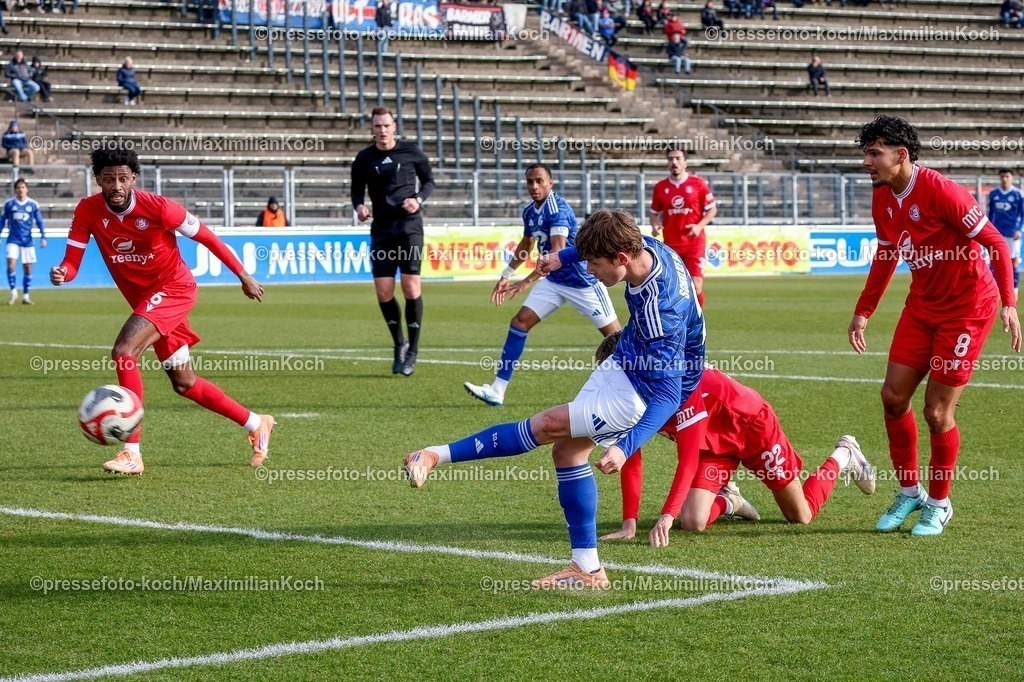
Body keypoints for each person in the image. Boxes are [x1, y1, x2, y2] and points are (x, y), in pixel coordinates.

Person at [404, 209, 706, 589]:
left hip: (644, 390)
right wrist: (561, 257)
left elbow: (668, 395)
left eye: (594, 265)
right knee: (566, 453)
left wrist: (625, 448)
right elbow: (597, 245)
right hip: (630, 360)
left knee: (549, 426)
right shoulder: (646, 246)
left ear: (622, 260)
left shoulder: (662, 312)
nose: (590, 272)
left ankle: (433, 455)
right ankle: (588, 570)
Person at [50, 148, 276, 475]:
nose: (116, 185)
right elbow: (72, 262)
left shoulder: (159, 208)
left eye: (123, 178)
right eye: (109, 178)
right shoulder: (87, 211)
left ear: (133, 179)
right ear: (97, 179)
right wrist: (62, 273)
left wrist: (242, 275)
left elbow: (207, 237)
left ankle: (131, 453)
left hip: (174, 290)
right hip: (146, 302)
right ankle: (256, 422)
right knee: (183, 382)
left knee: (124, 351)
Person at [849, 115, 1021, 536]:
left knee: (937, 411)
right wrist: (863, 310)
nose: (866, 162)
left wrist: (1009, 304)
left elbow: (996, 243)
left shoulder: (943, 191)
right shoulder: (882, 195)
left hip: (966, 309)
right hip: (922, 307)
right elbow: (887, 254)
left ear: (901, 155)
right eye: (865, 153)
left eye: (874, 154)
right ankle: (910, 494)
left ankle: (939, 504)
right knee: (892, 397)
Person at [595, 333, 875, 545]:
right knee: (692, 522)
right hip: (712, 446)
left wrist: (667, 516)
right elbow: (629, 453)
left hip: (752, 428)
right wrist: (629, 522)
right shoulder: (630, 395)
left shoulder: (678, 387)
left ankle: (844, 454)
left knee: (800, 516)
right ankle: (730, 500)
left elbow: (688, 460)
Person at [463, 164, 620, 407]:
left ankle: (638, 383)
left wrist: (525, 282)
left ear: (550, 182)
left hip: (582, 282)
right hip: (554, 282)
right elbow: (526, 244)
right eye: (530, 182)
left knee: (615, 338)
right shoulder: (530, 211)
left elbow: (557, 252)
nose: (534, 186)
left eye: (539, 181)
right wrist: (507, 274)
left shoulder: (557, 210)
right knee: (519, 323)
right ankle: (497, 390)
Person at [351, 106, 435, 377]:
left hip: (409, 227)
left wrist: (418, 199)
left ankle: (413, 351)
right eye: (377, 126)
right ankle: (399, 344)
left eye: (386, 125)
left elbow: (429, 181)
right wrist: (359, 207)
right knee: (384, 292)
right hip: (382, 230)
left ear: (394, 127)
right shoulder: (364, 158)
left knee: (411, 288)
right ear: (373, 129)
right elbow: (356, 191)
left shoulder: (411, 152)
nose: (382, 130)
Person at [650, 148, 716, 306]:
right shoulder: (660, 187)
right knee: (674, 287)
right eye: (671, 159)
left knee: (696, 284)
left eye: (678, 158)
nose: (674, 162)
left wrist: (699, 226)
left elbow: (712, 210)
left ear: (685, 162)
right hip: (671, 245)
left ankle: (696, 321)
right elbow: (654, 213)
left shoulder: (698, 184)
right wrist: (655, 225)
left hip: (694, 243)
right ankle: (681, 319)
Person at [1, 178, 46, 305]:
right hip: (13, 239)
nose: (21, 190)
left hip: (27, 240)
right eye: (18, 187)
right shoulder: (9, 204)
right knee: (11, 265)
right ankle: (13, 292)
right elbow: (2, 220)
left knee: (27, 268)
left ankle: (26, 295)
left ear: (27, 189)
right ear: (15, 189)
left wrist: (43, 236)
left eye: (23, 187)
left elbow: (39, 221)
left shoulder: (33, 204)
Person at [987, 169, 1023, 291]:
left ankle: (1014, 289)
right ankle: (994, 287)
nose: (1004, 179)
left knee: (1014, 260)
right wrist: (990, 229)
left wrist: (1019, 229)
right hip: (998, 233)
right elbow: (990, 213)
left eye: (1007, 176)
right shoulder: (994, 193)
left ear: (1012, 178)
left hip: (1013, 233)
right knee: (995, 259)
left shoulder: (1018, 194)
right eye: (1002, 176)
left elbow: (1023, 214)